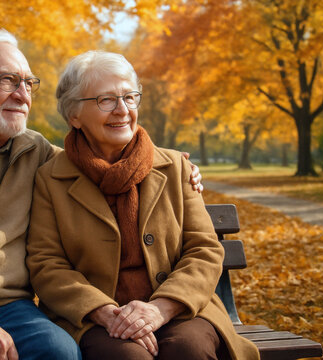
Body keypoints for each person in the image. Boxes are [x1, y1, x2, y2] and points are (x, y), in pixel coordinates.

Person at [0, 30, 202, 360]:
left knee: (60, 352)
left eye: (28, 83)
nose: (23, 94)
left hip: (10, 306)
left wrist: (168, 166)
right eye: (8, 80)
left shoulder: (37, 152)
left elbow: (97, 160)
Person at [26, 50, 260, 360]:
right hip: (94, 318)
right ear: (74, 116)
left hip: (180, 309)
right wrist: (105, 312)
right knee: (128, 357)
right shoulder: (51, 178)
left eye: (129, 97)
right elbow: (47, 263)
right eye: (105, 100)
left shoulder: (175, 167)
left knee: (188, 350)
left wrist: (161, 308)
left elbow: (204, 249)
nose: (122, 110)